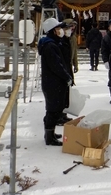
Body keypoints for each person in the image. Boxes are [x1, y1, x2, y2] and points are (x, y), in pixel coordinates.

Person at [37, 18, 73, 146]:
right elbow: (56, 66)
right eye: (58, 29)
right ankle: (49, 136)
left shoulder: (53, 44)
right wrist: (66, 77)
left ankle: (50, 132)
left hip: (53, 82)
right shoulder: (50, 46)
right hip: (53, 83)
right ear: (52, 31)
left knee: (55, 109)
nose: (61, 31)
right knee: (53, 110)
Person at [56, 22, 75, 126]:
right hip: (63, 71)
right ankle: (59, 116)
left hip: (67, 69)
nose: (69, 30)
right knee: (60, 96)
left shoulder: (68, 40)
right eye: (67, 29)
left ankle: (63, 114)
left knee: (65, 95)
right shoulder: (60, 42)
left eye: (70, 28)